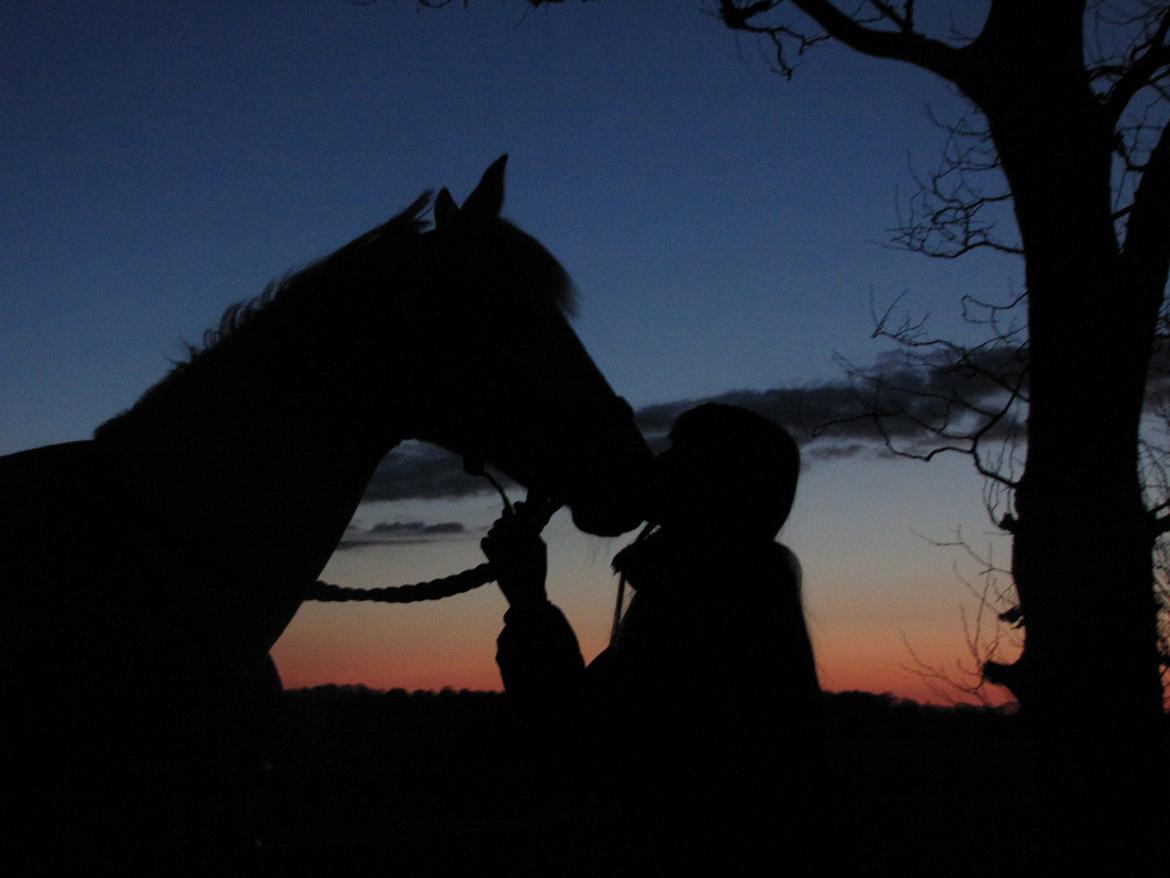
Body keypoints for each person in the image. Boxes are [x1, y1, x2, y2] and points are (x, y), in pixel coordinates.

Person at [483, 403, 823, 866]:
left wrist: (528, 603)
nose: (659, 465)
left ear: (716, 485)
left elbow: (582, 742)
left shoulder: (708, 605)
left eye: (682, 455)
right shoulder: (737, 594)